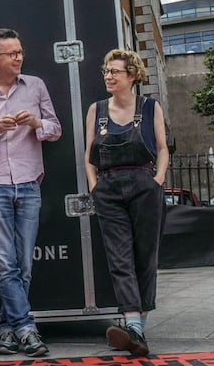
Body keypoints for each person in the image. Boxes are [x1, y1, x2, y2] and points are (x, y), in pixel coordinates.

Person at [0, 28, 61, 358]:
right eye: (12, 53)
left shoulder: (35, 87)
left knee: (23, 265)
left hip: (29, 183)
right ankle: (26, 329)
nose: (19, 57)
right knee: (5, 265)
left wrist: (35, 122)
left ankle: (7, 331)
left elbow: (55, 130)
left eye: (20, 52)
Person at [84, 49, 169, 357]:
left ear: (132, 76)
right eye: (106, 71)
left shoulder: (149, 107)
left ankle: (138, 329)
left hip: (144, 185)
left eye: (115, 72)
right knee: (119, 256)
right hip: (108, 187)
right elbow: (89, 153)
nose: (108, 76)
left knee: (145, 256)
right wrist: (95, 185)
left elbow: (162, 147)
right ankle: (133, 325)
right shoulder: (97, 109)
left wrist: (157, 179)